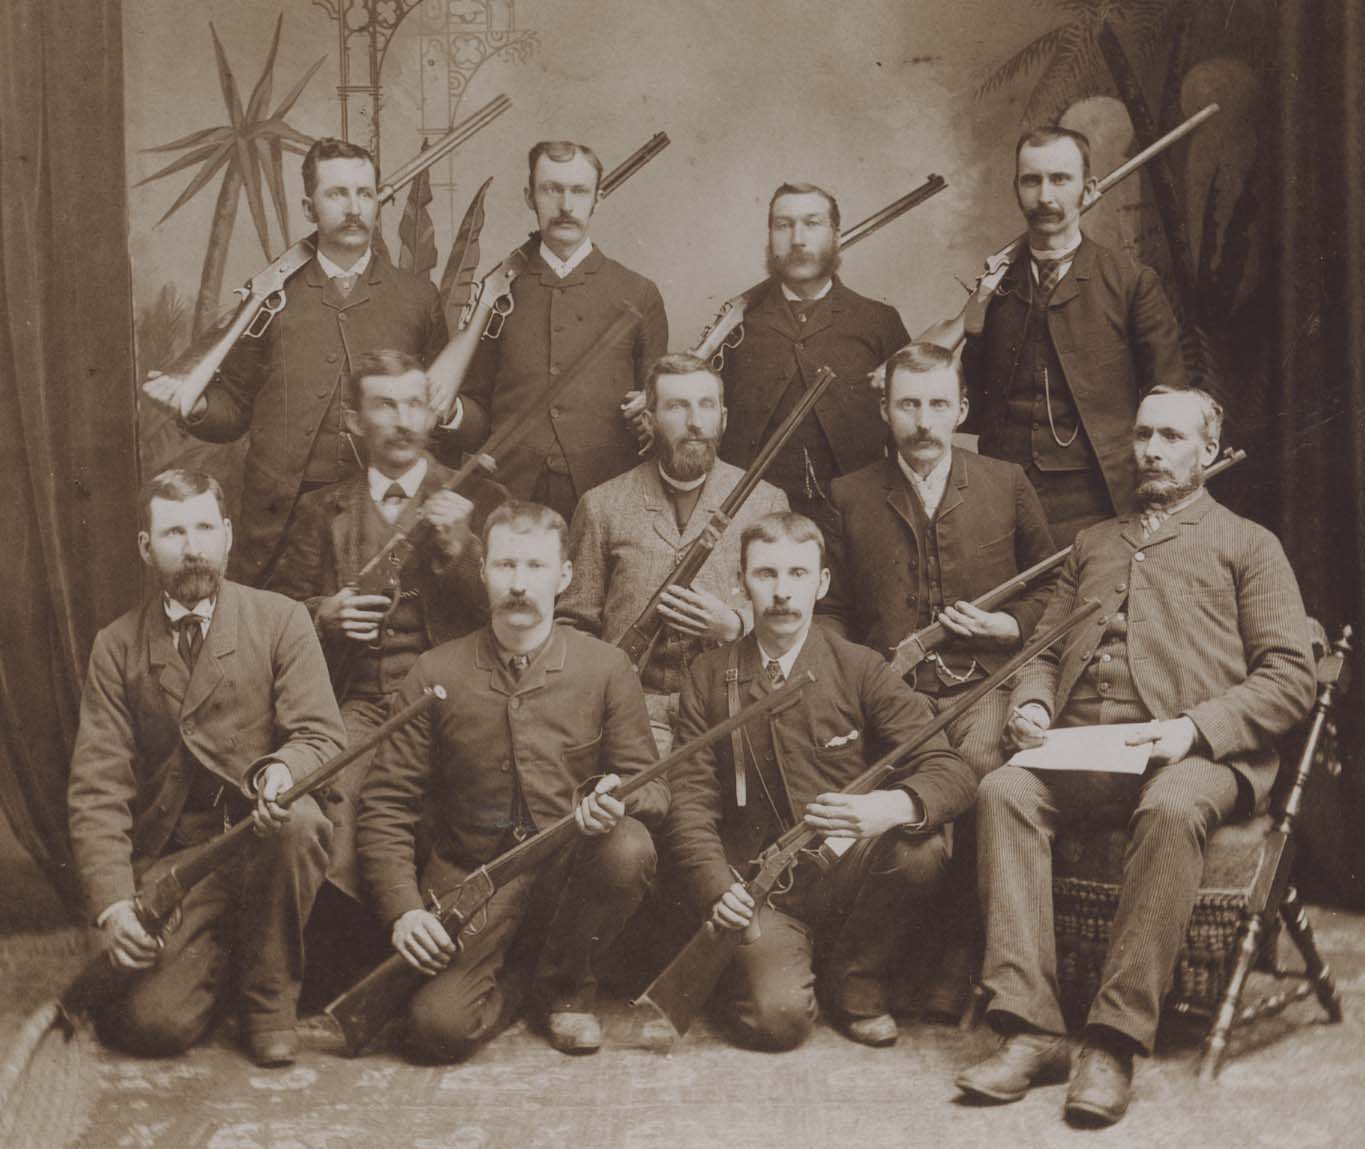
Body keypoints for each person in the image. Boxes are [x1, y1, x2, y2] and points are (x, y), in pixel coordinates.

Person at [955, 387, 1316, 1127]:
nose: (1151, 450)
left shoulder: (1249, 544)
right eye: (1144, 435)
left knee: (1173, 803)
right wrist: (1032, 705)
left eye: (1171, 437)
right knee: (1002, 790)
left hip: (1196, 754)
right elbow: (1044, 649)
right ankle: (1031, 1026)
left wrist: (1194, 729)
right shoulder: (1093, 543)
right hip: (1085, 748)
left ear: (1207, 450)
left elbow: (1290, 676)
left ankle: (1112, 1040)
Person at [356, 501, 668, 1059]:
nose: (519, 584)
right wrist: (404, 909)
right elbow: (386, 804)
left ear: (565, 576)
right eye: (505, 566)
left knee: (628, 847)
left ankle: (567, 991)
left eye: (535, 566)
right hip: (468, 881)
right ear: (482, 572)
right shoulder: (435, 671)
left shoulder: (605, 668)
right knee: (438, 1029)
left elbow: (653, 788)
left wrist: (617, 799)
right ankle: (523, 983)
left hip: (566, 880)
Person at [664, 512, 975, 1050]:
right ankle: (771, 969)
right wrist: (718, 889)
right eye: (766, 574)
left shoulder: (860, 667)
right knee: (778, 1022)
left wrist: (890, 807)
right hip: (762, 890)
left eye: (798, 574)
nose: (782, 592)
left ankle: (856, 983)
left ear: (823, 582)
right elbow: (690, 801)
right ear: (741, 582)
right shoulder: (708, 677)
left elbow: (952, 770)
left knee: (921, 850)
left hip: (848, 877)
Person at [67, 469, 345, 1067]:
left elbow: (321, 735)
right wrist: (115, 906)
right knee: (154, 1025)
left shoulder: (282, 619)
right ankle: (225, 962)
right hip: (180, 864)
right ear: (146, 547)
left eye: (203, 528)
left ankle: (270, 1003)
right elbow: (98, 788)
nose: (192, 547)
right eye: (173, 533)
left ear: (227, 536)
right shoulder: (117, 646)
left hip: (266, 845)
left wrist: (279, 772)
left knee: (299, 821)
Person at [146, 137, 447, 586]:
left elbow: (440, 408)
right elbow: (235, 406)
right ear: (309, 208)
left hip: (381, 519)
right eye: (337, 194)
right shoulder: (269, 296)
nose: (354, 208)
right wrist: (197, 406)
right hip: (277, 525)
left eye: (365, 194)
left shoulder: (418, 298)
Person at [271, 349, 506, 902]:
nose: (403, 421)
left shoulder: (483, 497)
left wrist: (464, 550)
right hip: (360, 706)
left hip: (458, 706)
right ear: (355, 421)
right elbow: (278, 616)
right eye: (385, 406)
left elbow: (515, 616)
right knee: (334, 819)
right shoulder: (321, 509)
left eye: (414, 405)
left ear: (431, 414)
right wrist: (322, 614)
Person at [822, 342, 1057, 781]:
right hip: (890, 694)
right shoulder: (848, 495)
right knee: (895, 775)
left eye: (938, 404)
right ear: (884, 410)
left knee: (984, 768)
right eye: (908, 405)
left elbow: (1055, 584)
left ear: (962, 410)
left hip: (985, 687)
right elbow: (829, 611)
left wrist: (1011, 625)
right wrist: (860, 682)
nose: (924, 423)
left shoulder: (1006, 483)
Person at [956, 127, 1186, 545]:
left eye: (1060, 179)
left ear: (1089, 189)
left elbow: (1170, 401)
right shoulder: (992, 285)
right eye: (1032, 180)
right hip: (1002, 495)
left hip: (1100, 498)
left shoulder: (1131, 283)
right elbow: (974, 397)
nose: (1045, 196)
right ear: (1016, 189)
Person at [559, 353, 788, 753]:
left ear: (723, 418)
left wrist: (735, 625)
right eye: (678, 407)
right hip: (628, 713)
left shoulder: (765, 502)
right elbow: (572, 624)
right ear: (649, 420)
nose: (695, 422)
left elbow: (791, 613)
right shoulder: (601, 505)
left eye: (706, 405)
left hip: (730, 710)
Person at [436, 140, 668, 521]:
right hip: (508, 499)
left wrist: (652, 413)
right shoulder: (497, 291)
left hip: (606, 501)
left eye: (579, 190)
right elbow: (478, 416)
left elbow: (657, 419)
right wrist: (451, 412)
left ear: (598, 198)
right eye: (551, 189)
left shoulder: (639, 293)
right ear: (530, 197)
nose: (565, 205)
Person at [716, 182, 909, 536]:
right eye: (783, 225)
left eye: (812, 223)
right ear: (770, 237)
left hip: (857, 523)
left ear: (836, 235)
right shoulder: (735, 326)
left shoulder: (879, 321)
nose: (797, 239)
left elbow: (905, 435)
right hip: (749, 521)